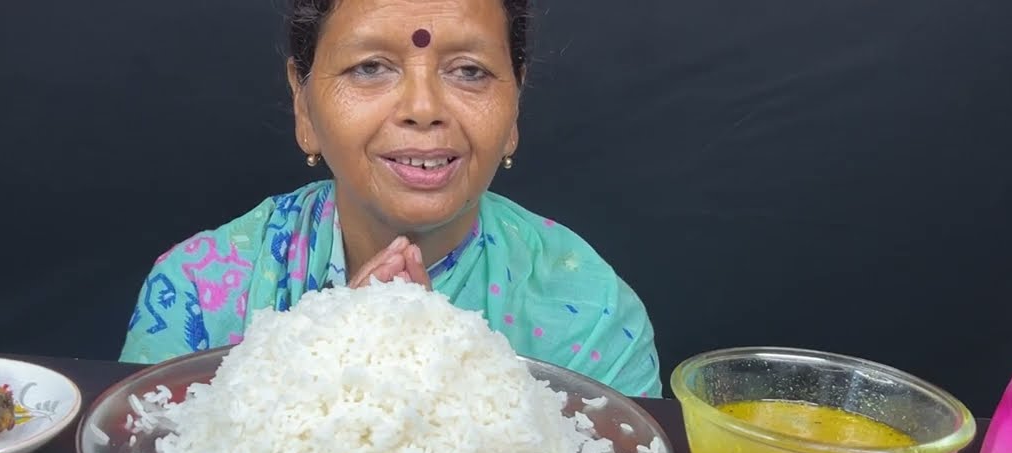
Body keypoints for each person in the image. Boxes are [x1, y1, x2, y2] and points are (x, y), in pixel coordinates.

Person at [120, 0, 662, 397]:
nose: (423, 107)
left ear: (515, 106)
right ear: (303, 106)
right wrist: (327, 363)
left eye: (469, 71)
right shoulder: (198, 293)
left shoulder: (592, 318)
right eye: (370, 67)